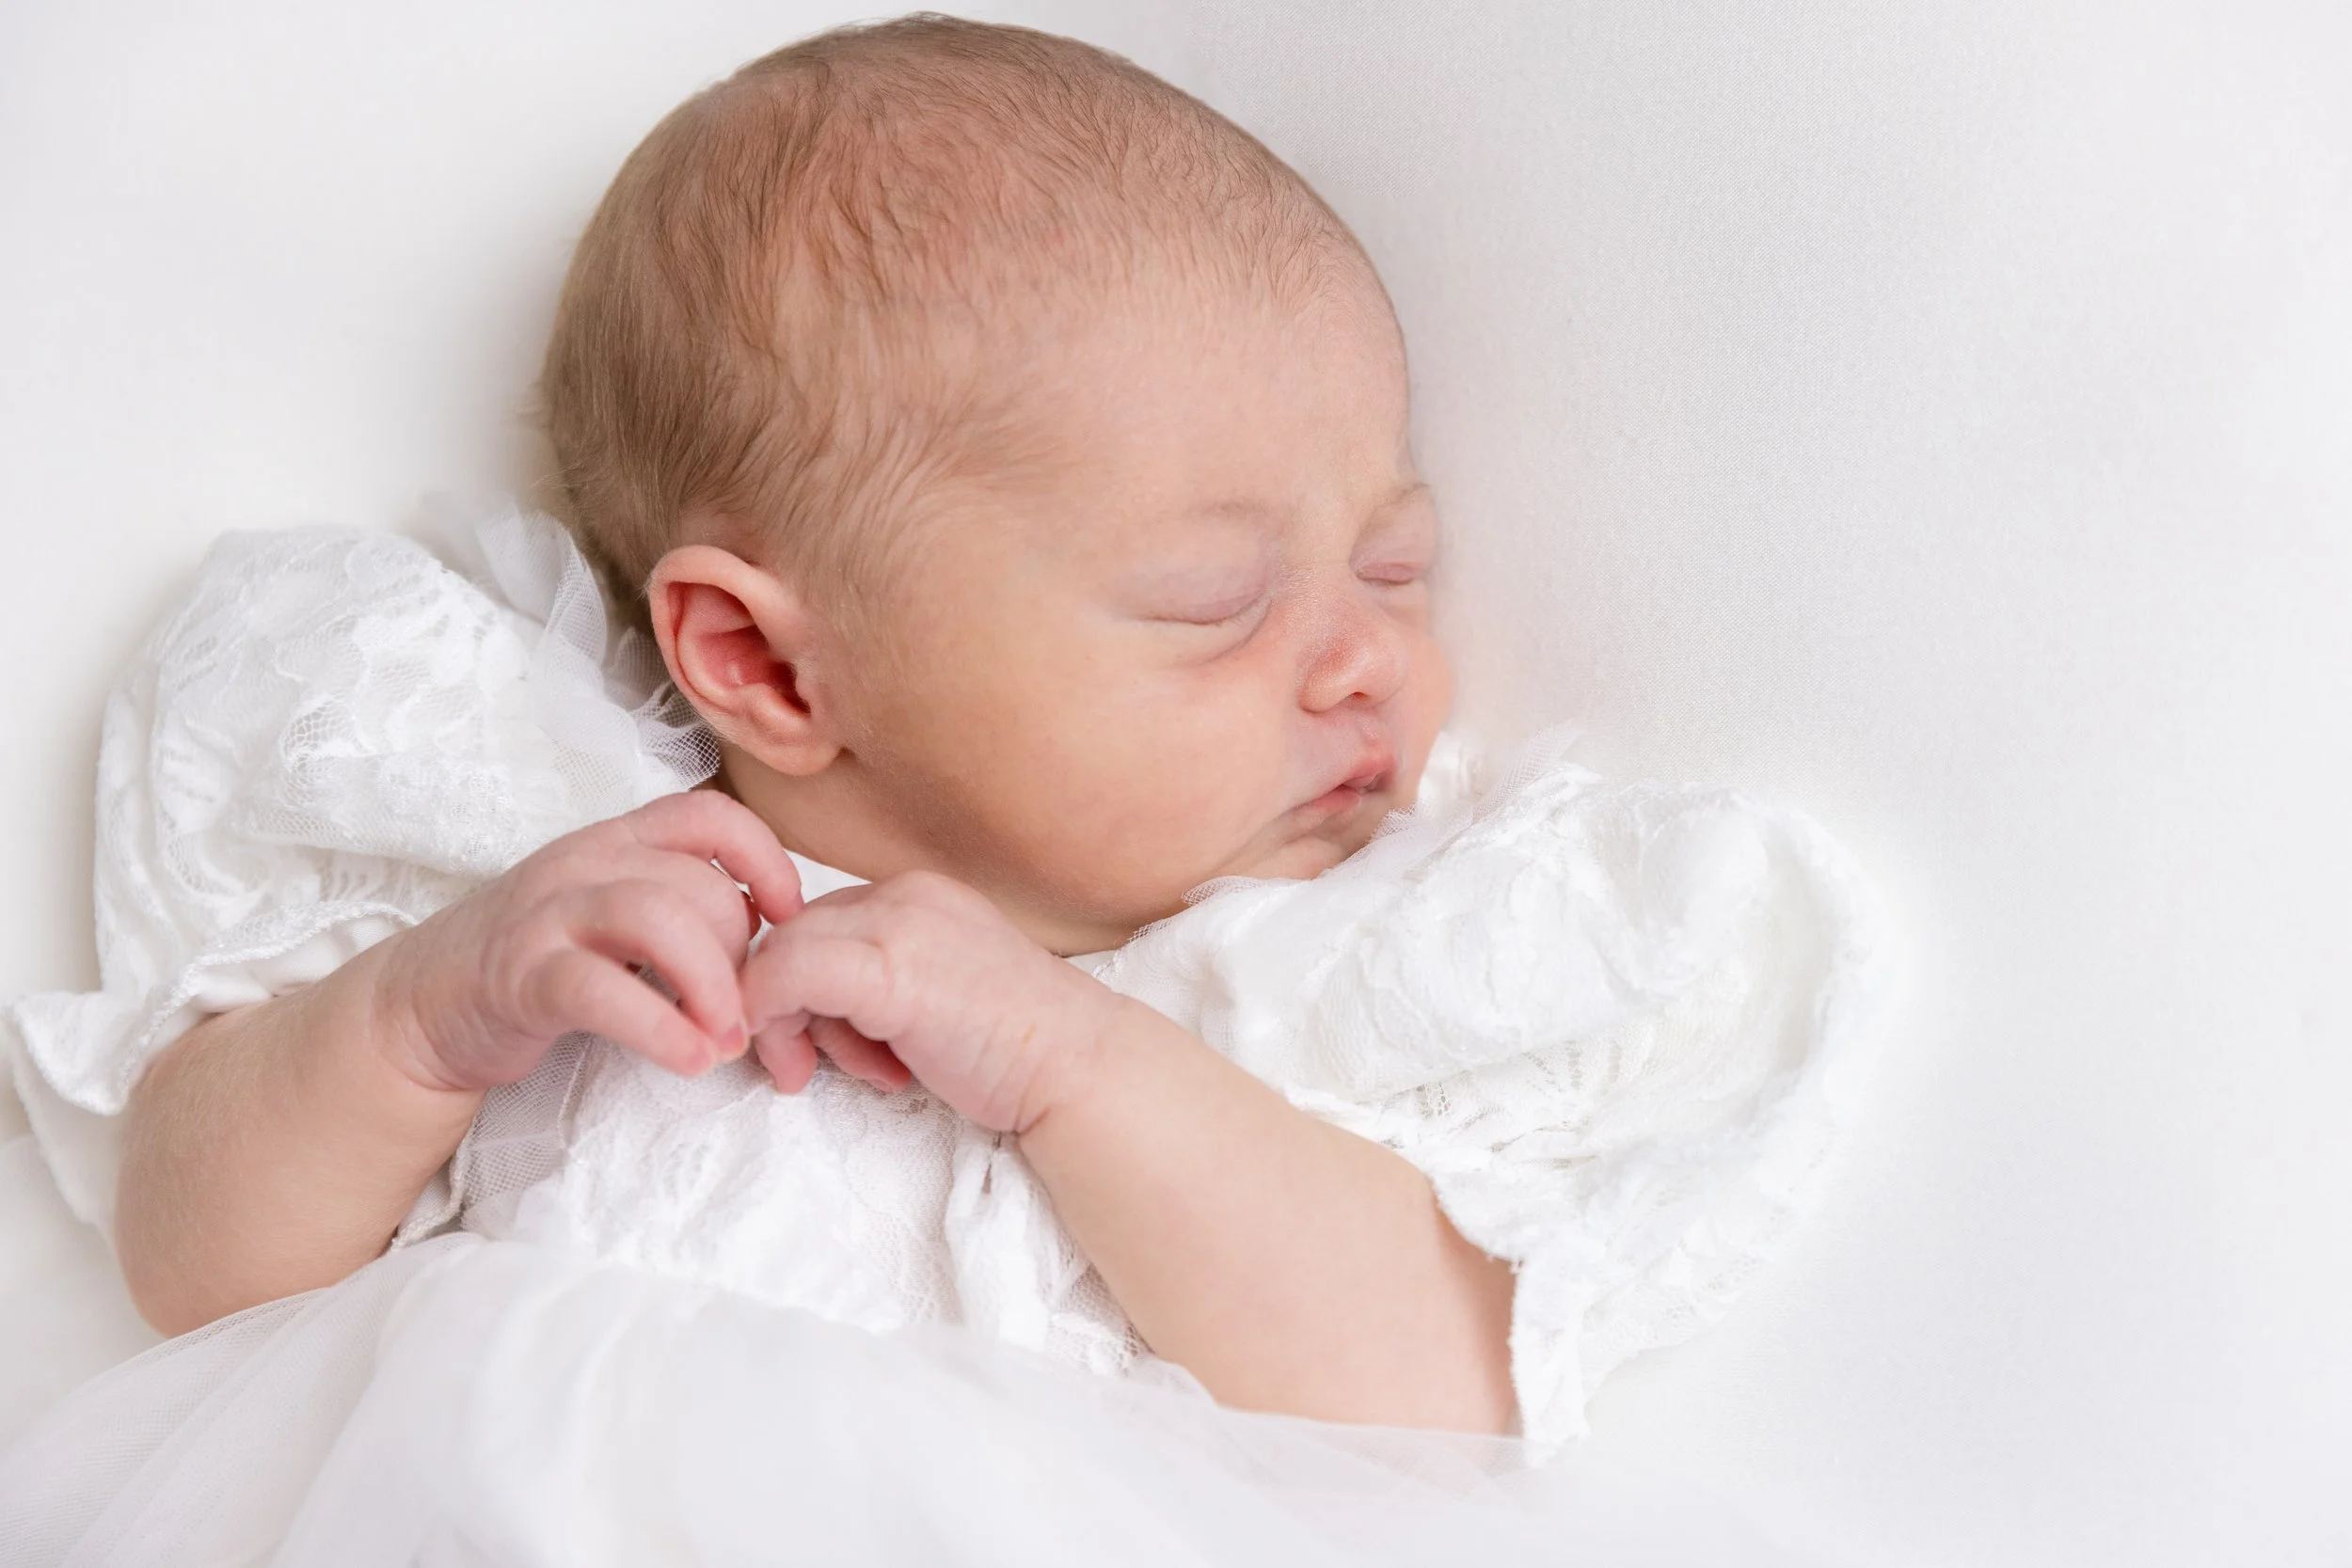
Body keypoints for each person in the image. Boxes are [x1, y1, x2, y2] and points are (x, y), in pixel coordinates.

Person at [2, 17, 1880, 1559]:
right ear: (767, 666)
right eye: (1208, 598)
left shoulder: (1283, 991)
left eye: (1389, 564)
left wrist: (1065, 1058)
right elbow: (202, 1267)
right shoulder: (550, 871)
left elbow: (1432, 1400)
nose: (1362, 656)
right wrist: (427, 1012)